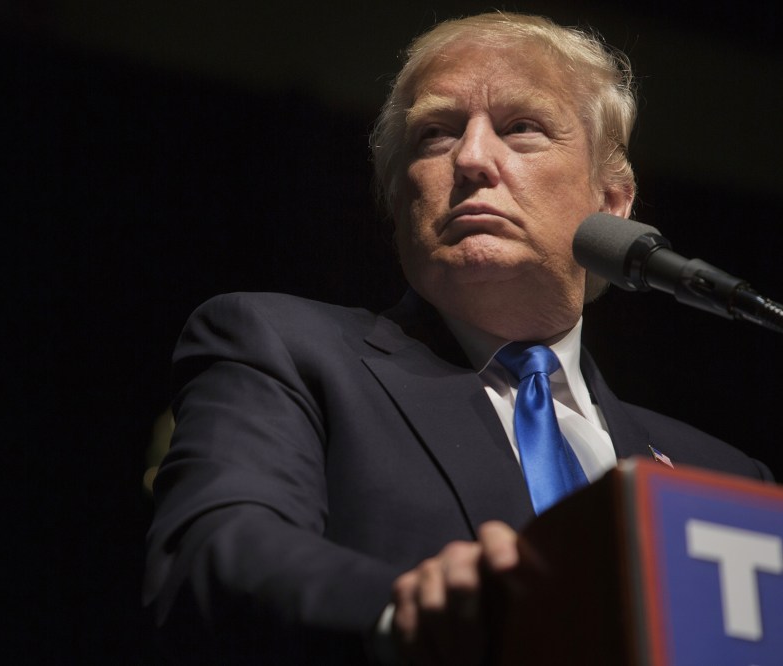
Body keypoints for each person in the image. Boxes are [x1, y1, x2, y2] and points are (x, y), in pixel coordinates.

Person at [143, 11, 773, 665]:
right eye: (435, 134)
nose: (472, 159)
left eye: (521, 128)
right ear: (400, 199)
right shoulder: (282, 348)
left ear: (612, 200)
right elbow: (213, 549)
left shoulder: (724, 477)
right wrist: (399, 608)